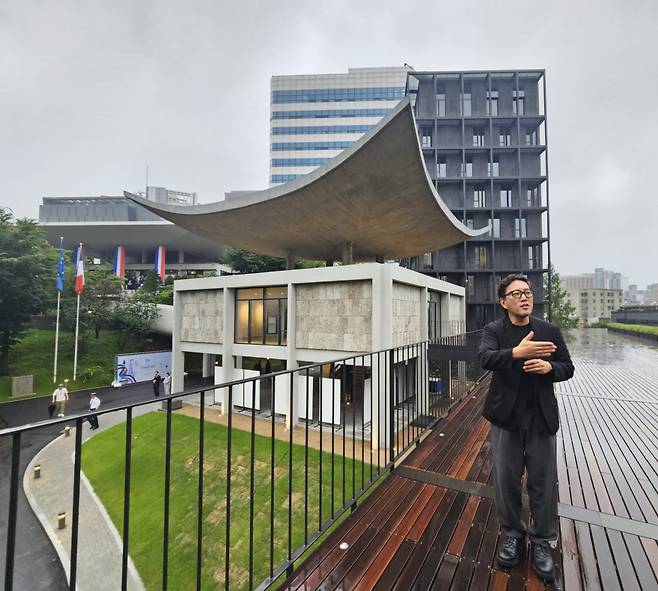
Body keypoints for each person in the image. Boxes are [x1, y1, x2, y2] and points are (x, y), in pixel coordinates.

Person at [478, 274, 574, 582]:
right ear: (503, 302)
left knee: (542, 483)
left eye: (527, 292)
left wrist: (549, 368)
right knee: (506, 480)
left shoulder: (547, 331)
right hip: (507, 417)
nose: (524, 297)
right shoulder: (495, 330)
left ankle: (543, 541)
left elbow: (567, 367)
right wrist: (517, 353)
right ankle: (512, 535)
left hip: (541, 417)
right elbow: (485, 358)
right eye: (516, 293)